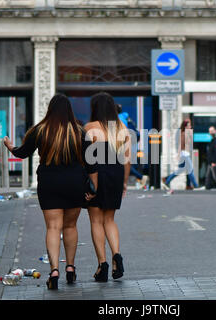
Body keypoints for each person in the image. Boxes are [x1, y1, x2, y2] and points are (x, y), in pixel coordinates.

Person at [3, 94, 98, 290]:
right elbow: (91, 163)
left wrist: (10, 146)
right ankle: (70, 268)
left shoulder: (40, 130)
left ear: (50, 110)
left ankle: (54, 270)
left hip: (49, 182)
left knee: (53, 227)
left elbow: (22, 153)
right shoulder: (79, 132)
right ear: (69, 111)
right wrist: (93, 188)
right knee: (70, 226)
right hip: (74, 182)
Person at [84, 92, 131, 282]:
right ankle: (116, 255)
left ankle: (102, 264)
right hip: (116, 174)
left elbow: (86, 160)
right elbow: (126, 160)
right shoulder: (122, 128)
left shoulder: (89, 128)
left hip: (97, 174)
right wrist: (124, 183)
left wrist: (88, 184)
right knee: (110, 219)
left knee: (96, 221)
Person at [162, 119, 199, 190]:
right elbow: (180, 145)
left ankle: (166, 181)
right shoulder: (183, 133)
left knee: (180, 170)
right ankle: (196, 186)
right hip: (184, 155)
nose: (190, 126)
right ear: (185, 126)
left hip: (185, 154)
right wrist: (178, 154)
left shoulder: (187, 133)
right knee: (190, 170)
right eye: (189, 125)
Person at [116, 104, 147, 189]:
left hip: (123, 142)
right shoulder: (125, 116)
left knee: (123, 163)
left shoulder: (118, 119)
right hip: (131, 141)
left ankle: (141, 177)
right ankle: (140, 177)